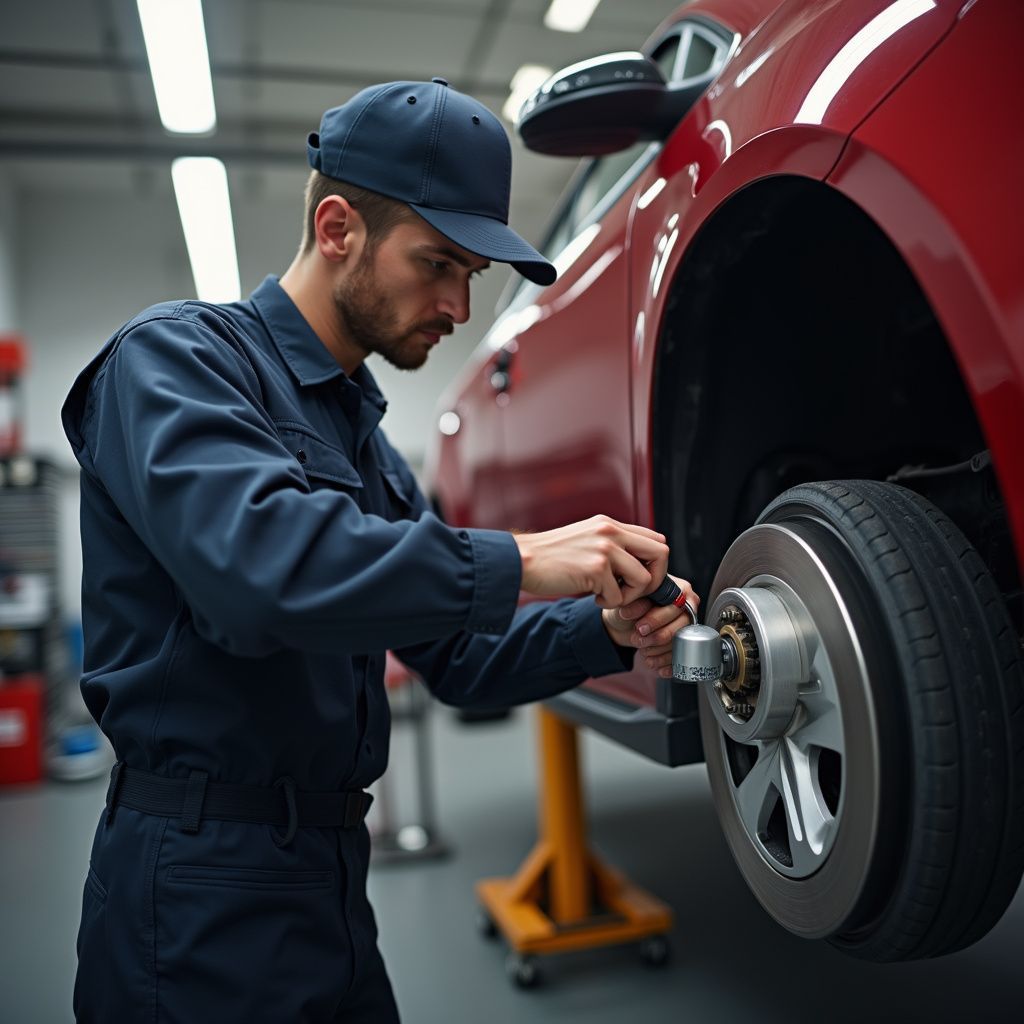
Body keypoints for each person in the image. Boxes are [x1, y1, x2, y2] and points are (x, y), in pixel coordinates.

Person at [61, 78, 698, 1022]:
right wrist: (520, 559)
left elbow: (460, 661)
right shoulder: (177, 362)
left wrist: (604, 634)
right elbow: (262, 571)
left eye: (471, 277)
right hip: (197, 890)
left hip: (328, 885)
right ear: (336, 228)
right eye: (436, 262)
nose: (456, 304)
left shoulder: (367, 445)